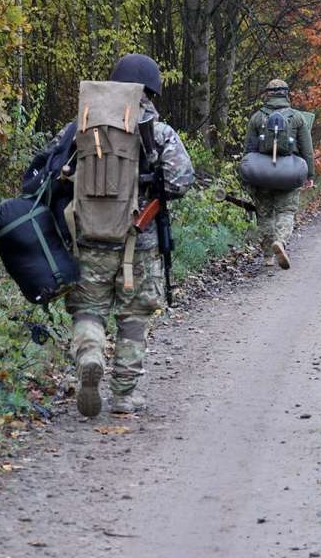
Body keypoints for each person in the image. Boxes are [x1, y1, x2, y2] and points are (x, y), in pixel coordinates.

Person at [66, 54, 196, 417]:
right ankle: (123, 395)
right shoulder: (158, 131)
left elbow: (53, 173)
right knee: (133, 317)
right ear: (150, 89)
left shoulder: (82, 123)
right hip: (139, 242)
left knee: (88, 309)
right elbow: (181, 180)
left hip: (88, 237)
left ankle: (90, 354)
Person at [243, 79, 315, 269]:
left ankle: (267, 256)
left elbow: (249, 150)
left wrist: (248, 175)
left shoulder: (257, 118)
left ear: (267, 94)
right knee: (286, 211)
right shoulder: (297, 117)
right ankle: (280, 242)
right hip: (289, 173)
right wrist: (310, 175)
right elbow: (307, 150)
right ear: (286, 94)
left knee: (265, 214)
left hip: (262, 175)